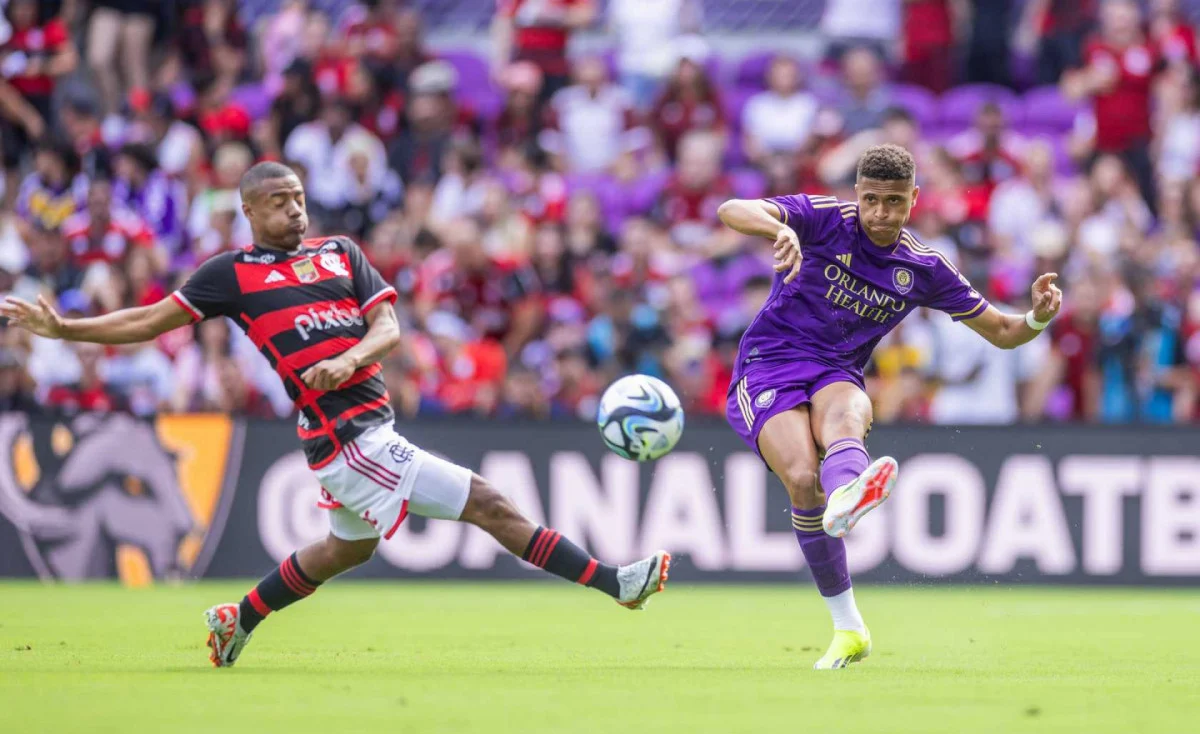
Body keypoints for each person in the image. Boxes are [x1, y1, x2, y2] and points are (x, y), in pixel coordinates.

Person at [0, 161, 671, 668]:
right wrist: (67, 330)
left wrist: (350, 360)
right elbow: (148, 320)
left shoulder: (340, 253)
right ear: (248, 211)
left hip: (370, 426)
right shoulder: (230, 275)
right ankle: (618, 584)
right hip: (346, 439)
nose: (294, 209)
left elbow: (389, 329)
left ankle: (240, 619)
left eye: (297, 196)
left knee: (346, 548)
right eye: (277, 201)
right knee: (490, 504)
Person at [716, 144, 1063, 669]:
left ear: (914, 199)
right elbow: (731, 209)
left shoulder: (923, 267)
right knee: (802, 478)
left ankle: (847, 499)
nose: (881, 213)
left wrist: (1036, 317)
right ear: (857, 195)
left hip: (837, 371)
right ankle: (848, 621)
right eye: (872, 200)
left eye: (894, 202)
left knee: (848, 413)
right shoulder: (825, 220)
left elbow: (1003, 333)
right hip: (769, 364)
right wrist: (779, 228)